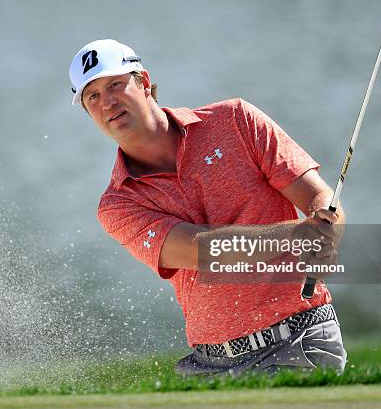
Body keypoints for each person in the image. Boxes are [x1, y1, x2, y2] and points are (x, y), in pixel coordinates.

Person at [69, 39, 347, 376]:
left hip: (299, 337)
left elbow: (320, 199)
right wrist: (298, 235)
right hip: (212, 363)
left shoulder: (235, 120)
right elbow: (204, 251)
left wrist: (326, 229)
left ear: (144, 82)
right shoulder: (118, 204)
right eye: (92, 96)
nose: (108, 102)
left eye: (115, 84)